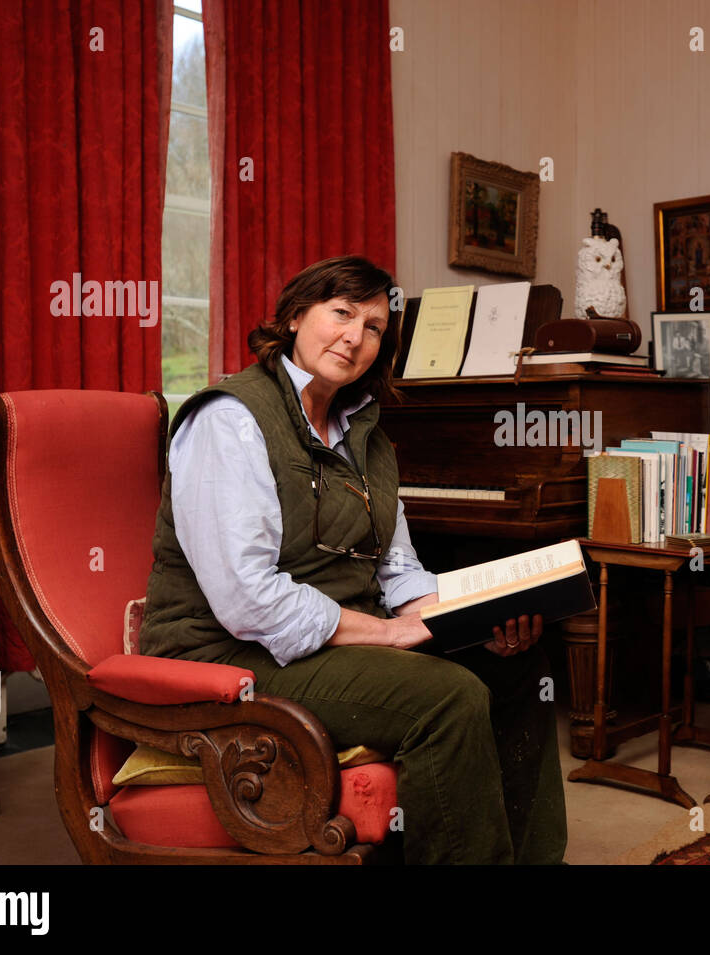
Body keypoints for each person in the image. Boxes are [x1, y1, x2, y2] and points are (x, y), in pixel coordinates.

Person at [138, 256, 567, 864]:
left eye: (373, 328)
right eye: (341, 313)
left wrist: (470, 619)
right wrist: (390, 635)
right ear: (294, 317)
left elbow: (396, 569)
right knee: (449, 696)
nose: (354, 337)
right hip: (224, 651)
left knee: (518, 667)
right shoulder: (230, 419)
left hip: (327, 639)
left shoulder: (365, 433)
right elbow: (247, 600)